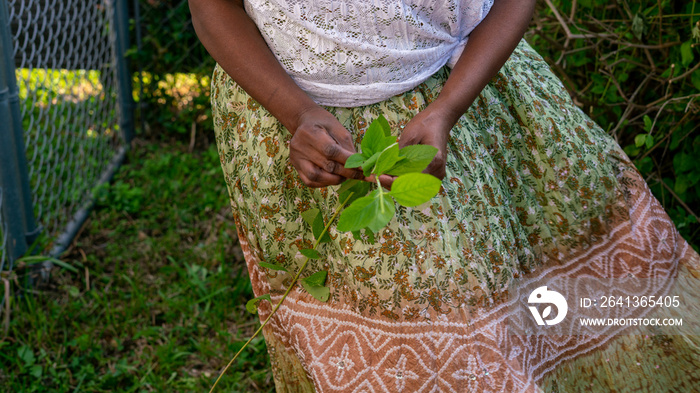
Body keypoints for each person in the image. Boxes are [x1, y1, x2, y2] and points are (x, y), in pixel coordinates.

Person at [189, 0, 700, 391]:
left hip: (472, 97)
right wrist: (295, 113)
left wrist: (448, 107)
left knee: (531, 315)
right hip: (297, 122)